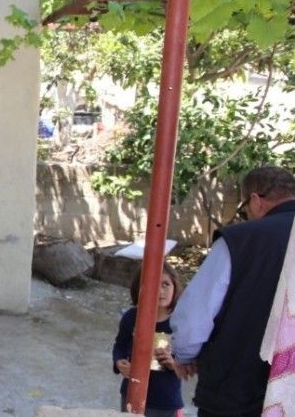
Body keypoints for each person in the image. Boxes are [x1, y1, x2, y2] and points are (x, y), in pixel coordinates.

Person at [170, 166, 295, 417]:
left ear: (255, 200)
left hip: (237, 392)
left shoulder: (240, 240)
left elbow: (194, 318)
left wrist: (185, 355)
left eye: (244, 210)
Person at [112, 264, 184, 416]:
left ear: (175, 287)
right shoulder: (132, 317)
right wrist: (119, 362)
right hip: (131, 395)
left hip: (166, 401)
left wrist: (174, 364)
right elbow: (119, 345)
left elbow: (194, 362)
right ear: (140, 288)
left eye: (166, 284)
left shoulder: (182, 322)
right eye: (153, 283)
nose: (160, 291)